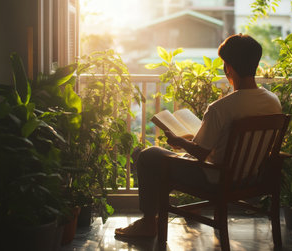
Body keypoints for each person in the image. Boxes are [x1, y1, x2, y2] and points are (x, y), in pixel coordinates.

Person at [114, 34, 282, 238]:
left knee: (146, 156)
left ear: (228, 67)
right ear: (255, 63)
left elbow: (201, 154)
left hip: (213, 178)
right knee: (156, 159)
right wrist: (188, 143)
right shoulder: (273, 102)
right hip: (251, 177)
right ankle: (151, 220)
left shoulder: (221, 108)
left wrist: (179, 141)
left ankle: (149, 223)